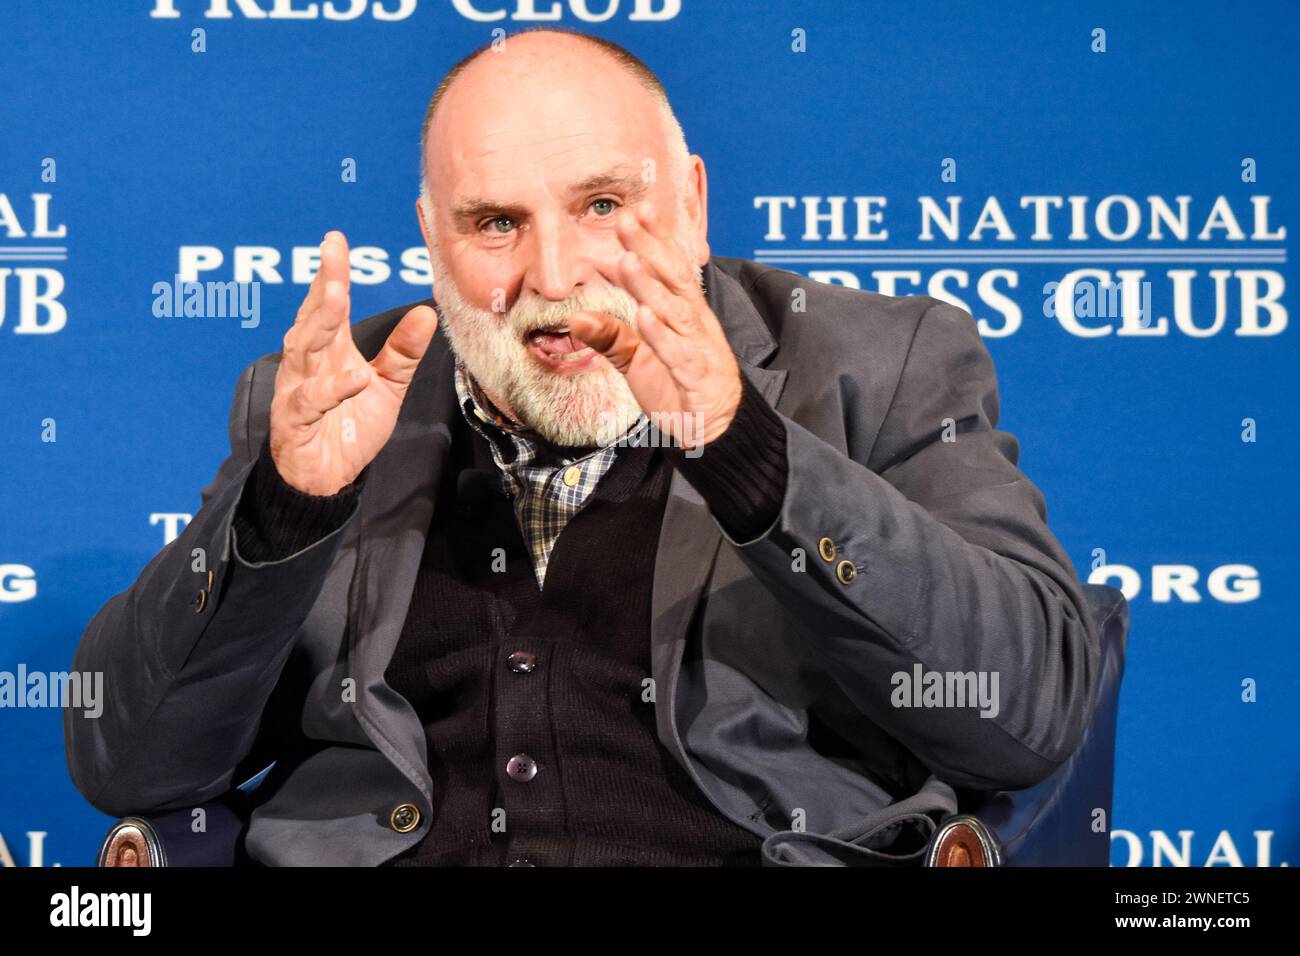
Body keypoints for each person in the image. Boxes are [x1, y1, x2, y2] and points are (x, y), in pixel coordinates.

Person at [65, 27, 1100, 867]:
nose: (553, 273)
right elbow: (129, 758)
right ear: (432, 240)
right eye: (494, 223)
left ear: (690, 204)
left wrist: (748, 450)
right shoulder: (341, 394)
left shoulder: (875, 363)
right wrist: (285, 514)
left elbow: (1031, 709)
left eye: (603, 205)